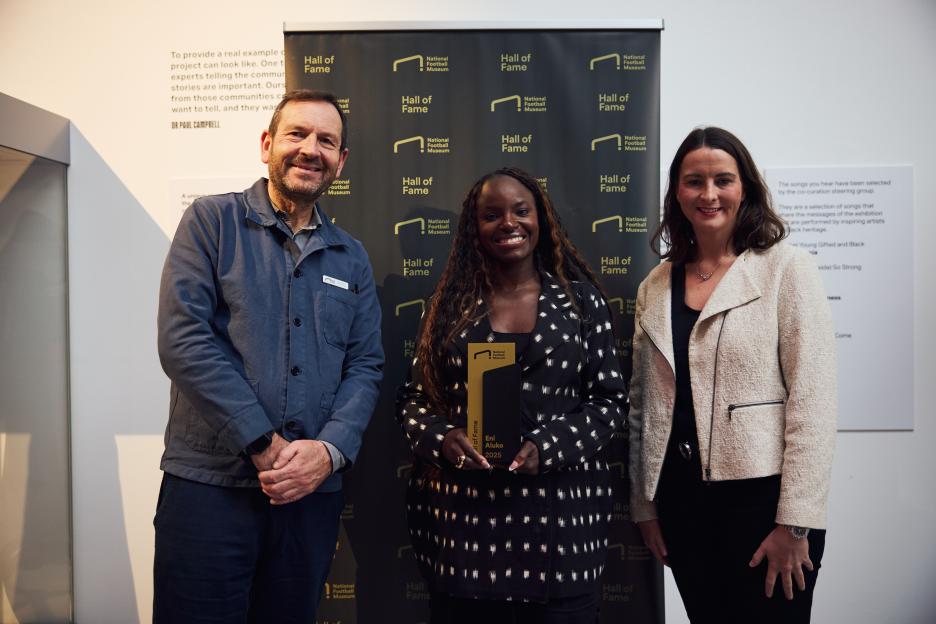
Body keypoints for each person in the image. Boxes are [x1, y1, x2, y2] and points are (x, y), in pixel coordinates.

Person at [154, 89, 383, 623]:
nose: (311, 149)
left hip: (308, 497)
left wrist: (328, 452)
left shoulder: (351, 256)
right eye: (297, 134)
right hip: (209, 491)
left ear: (341, 161)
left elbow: (366, 365)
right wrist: (262, 443)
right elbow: (183, 339)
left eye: (327, 141)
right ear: (267, 144)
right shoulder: (211, 223)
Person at [397, 167, 626, 623]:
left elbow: (609, 402)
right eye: (491, 215)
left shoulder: (581, 304)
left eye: (521, 211)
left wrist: (550, 446)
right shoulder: (448, 306)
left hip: (562, 531)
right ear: (473, 228)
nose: (508, 223)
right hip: (465, 532)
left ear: (541, 218)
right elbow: (413, 400)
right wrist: (443, 438)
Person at [628, 127, 836, 623]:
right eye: (693, 181)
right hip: (681, 505)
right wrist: (645, 507)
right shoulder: (656, 284)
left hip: (764, 508)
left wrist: (796, 525)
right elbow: (643, 407)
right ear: (677, 193)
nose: (709, 194)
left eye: (723, 179)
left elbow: (813, 403)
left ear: (746, 188)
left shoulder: (787, 269)